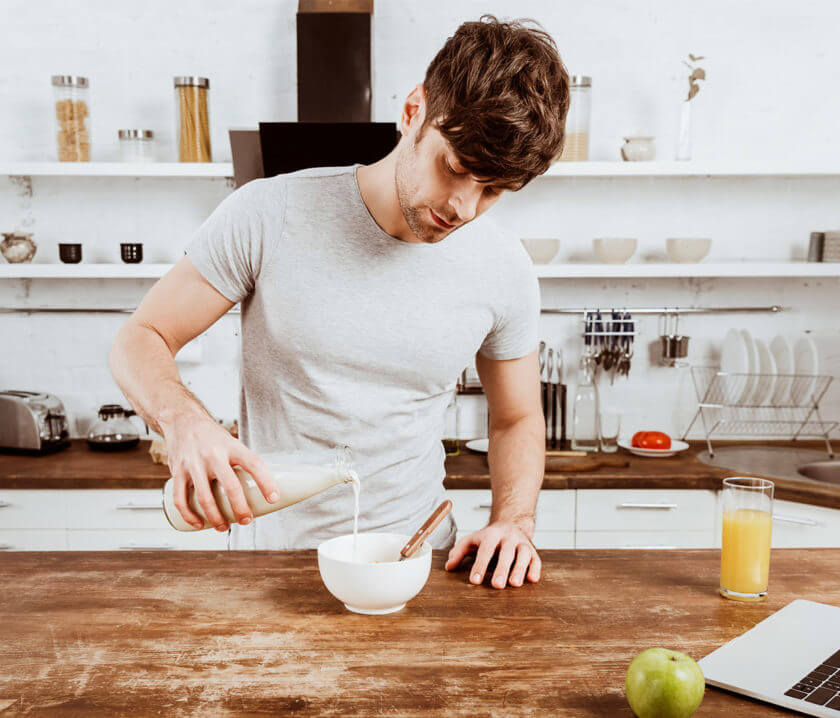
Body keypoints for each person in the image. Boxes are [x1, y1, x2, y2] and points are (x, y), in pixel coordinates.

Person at [108, 15, 570, 590]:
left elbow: (518, 417)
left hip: (419, 564)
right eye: (454, 169)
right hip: (272, 566)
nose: (465, 209)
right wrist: (184, 424)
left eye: (494, 191)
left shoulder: (504, 267)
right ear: (413, 112)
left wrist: (514, 521)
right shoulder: (269, 213)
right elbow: (140, 337)